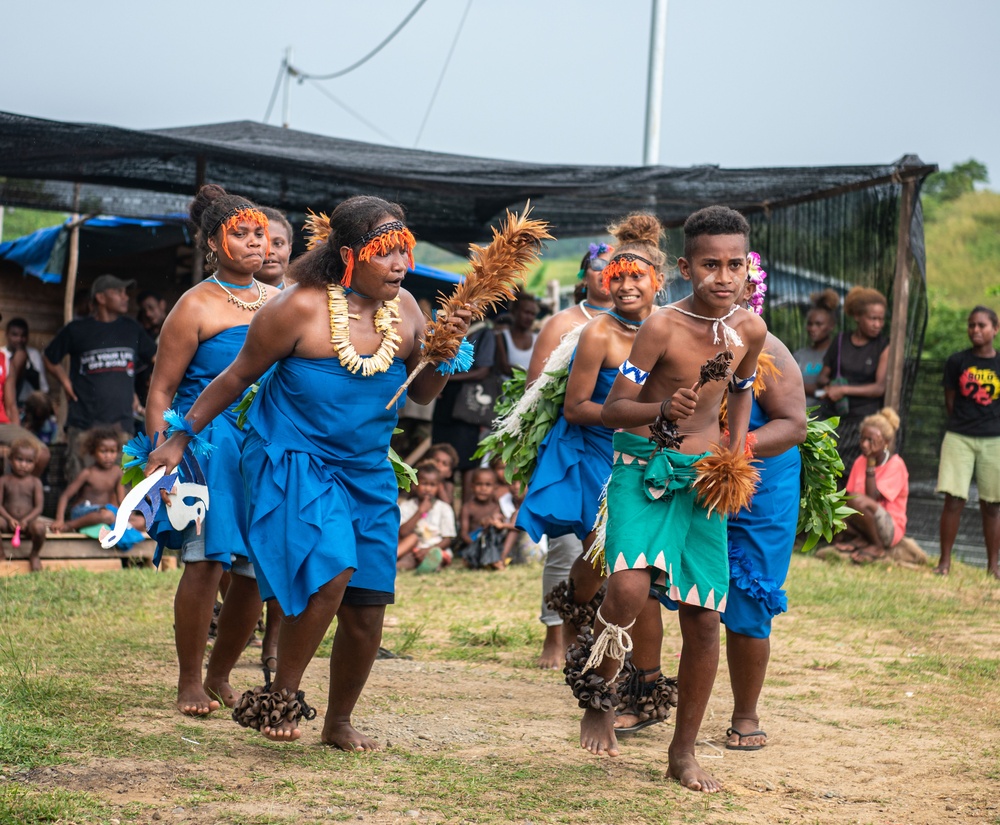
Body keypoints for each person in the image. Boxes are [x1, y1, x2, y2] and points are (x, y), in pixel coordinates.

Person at [146, 195, 471, 749]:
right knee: (331, 573)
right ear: (348, 255)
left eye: (404, 251)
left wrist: (443, 352)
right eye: (385, 253)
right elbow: (232, 378)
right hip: (295, 457)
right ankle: (281, 696)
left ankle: (339, 722)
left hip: (367, 470)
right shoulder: (296, 308)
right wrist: (177, 438)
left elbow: (420, 393)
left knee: (368, 606)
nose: (400, 265)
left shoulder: (408, 310)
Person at [586, 205, 765, 793]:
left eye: (734, 264)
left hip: (703, 481)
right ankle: (599, 692)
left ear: (748, 268)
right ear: (686, 267)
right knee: (630, 589)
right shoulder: (661, 326)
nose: (723, 275)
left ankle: (682, 751)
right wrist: (661, 410)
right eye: (711, 264)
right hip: (643, 468)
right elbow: (612, 410)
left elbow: (739, 394)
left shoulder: (751, 330)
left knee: (704, 617)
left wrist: (733, 459)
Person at [145, 184, 274, 717]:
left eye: (259, 234)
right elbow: (159, 392)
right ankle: (189, 682)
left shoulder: (279, 302)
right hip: (204, 449)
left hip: (265, 450)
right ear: (213, 246)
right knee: (203, 563)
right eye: (238, 234)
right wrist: (160, 460)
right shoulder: (194, 304)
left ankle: (222, 675)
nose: (252, 243)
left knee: (251, 569)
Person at [526, 242, 615, 669]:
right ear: (584, 275)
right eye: (599, 266)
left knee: (610, 551)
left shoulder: (647, 323)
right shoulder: (562, 322)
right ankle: (554, 635)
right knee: (564, 549)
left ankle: (600, 636)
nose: (608, 274)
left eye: (618, 266)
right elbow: (534, 396)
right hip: (570, 447)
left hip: (619, 449)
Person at [44, 274, 156, 477]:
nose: (125, 297)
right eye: (118, 292)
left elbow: (156, 358)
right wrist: (65, 382)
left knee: (120, 486)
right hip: (85, 422)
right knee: (81, 482)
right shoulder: (77, 330)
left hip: (121, 423)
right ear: (101, 298)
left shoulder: (131, 329)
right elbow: (50, 358)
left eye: (125, 292)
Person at [934, 306, 1000, 577]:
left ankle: (993, 566)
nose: (976, 330)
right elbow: (950, 401)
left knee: (993, 504)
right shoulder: (956, 362)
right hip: (959, 436)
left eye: (982, 325)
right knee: (954, 500)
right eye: (971, 325)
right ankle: (944, 563)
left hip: (994, 439)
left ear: (995, 329)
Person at [815, 286, 889, 472]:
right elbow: (823, 376)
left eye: (881, 319)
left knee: (855, 475)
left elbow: (879, 388)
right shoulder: (840, 341)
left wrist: (844, 390)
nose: (878, 324)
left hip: (864, 422)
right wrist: (830, 385)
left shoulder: (883, 345)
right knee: (829, 470)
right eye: (873, 319)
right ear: (857, 316)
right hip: (837, 418)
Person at [50, 426, 143, 548]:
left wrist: (128, 516)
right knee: (108, 516)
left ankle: (110, 527)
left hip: (106, 512)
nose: (108, 456)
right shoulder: (88, 473)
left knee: (141, 521)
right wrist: (59, 519)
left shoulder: (117, 472)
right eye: (103, 451)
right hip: (84, 512)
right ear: (93, 452)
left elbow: (121, 501)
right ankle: (70, 525)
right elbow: (65, 496)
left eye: (112, 451)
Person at [836, 407, 909, 564]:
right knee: (832, 508)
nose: (864, 444)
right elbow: (848, 499)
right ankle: (861, 538)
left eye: (871, 440)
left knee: (858, 500)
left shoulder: (896, 465)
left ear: (886, 443)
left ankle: (877, 545)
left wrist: (870, 463)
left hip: (888, 527)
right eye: (862, 439)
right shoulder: (858, 462)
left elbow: (871, 498)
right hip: (863, 520)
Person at [397, 461, 457, 573]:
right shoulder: (407, 506)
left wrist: (429, 550)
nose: (428, 489)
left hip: (436, 549)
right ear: (415, 485)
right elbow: (403, 533)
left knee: (440, 557)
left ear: (439, 487)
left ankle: (432, 564)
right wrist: (420, 512)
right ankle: (399, 566)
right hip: (413, 550)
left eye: (432, 485)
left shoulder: (444, 508)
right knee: (409, 557)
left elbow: (447, 539)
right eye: (424, 484)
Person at [0, 438, 46, 571]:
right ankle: (1, 552)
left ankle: (34, 554)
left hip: (27, 523)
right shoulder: (4, 480)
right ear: (10, 459)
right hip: (7, 521)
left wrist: (26, 520)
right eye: (19, 460)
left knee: (40, 528)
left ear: (35, 463)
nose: (23, 465)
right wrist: (9, 519)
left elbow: (39, 507)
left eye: (29, 461)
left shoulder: (35, 482)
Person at [792, 289, 839, 408]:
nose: (813, 328)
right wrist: (815, 391)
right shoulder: (799, 355)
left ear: (831, 326)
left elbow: (833, 390)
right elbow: (786, 385)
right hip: (797, 414)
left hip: (824, 419)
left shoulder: (838, 355)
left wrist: (804, 388)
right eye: (810, 324)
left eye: (819, 324)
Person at [4, 317, 49, 406]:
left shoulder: (34, 355)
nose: (19, 339)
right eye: (15, 335)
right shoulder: (2, 355)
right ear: (7, 335)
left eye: (23, 336)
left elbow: (43, 388)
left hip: (30, 406)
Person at [495, 290, 539, 377]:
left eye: (533, 314)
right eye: (526, 312)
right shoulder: (502, 336)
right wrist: (531, 374)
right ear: (515, 311)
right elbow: (504, 368)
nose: (529, 317)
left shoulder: (537, 339)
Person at [257, 207, 295, 289]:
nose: (269, 251)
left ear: (289, 249)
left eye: (278, 244)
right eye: (261, 244)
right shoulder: (227, 297)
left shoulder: (304, 294)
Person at [426, 442, 459, 509]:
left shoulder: (448, 485)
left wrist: (438, 483)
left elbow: (448, 505)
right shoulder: (420, 478)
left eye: (444, 464)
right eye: (436, 460)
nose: (439, 465)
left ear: (449, 473)